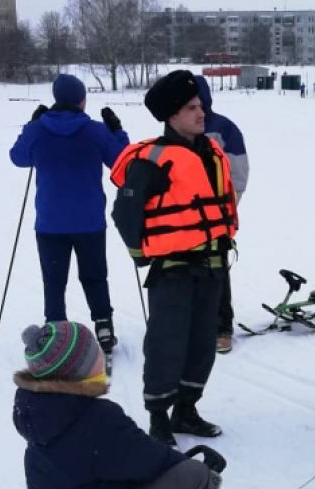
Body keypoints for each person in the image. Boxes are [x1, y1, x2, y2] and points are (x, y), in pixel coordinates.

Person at [12, 321, 226, 489]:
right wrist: (199, 473)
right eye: (94, 355)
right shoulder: (94, 418)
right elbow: (149, 459)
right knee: (194, 475)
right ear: (77, 370)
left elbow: (124, 457)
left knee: (136, 470)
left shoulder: (40, 409)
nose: (101, 358)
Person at [109, 70, 237, 449]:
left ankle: (186, 409)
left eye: (201, 106)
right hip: (173, 271)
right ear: (172, 115)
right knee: (166, 344)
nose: (201, 113)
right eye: (192, 108)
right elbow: (124, 214)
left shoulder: (210, 153)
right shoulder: (151, 161)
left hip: (213, 267)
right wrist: (142, 254)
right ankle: (158, 417)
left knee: (202, 345)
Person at [9, 74, 129, 354]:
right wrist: (117, 130)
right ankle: (104, 326)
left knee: (54, 279)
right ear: (81, 100)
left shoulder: (38, 130)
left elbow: (18, 157)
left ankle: (55, 331)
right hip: (89, 222)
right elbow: (123, 162)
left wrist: (30, 125)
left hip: (50, 222)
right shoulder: (95, 131)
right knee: (94, 275)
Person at [195, 75, 250, 355]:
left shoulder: (224, 129)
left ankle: (222, 328)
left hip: (216, 217)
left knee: (217, 272)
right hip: (184, 218)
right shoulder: (177, 129)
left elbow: (239, 172)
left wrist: (229, 207)